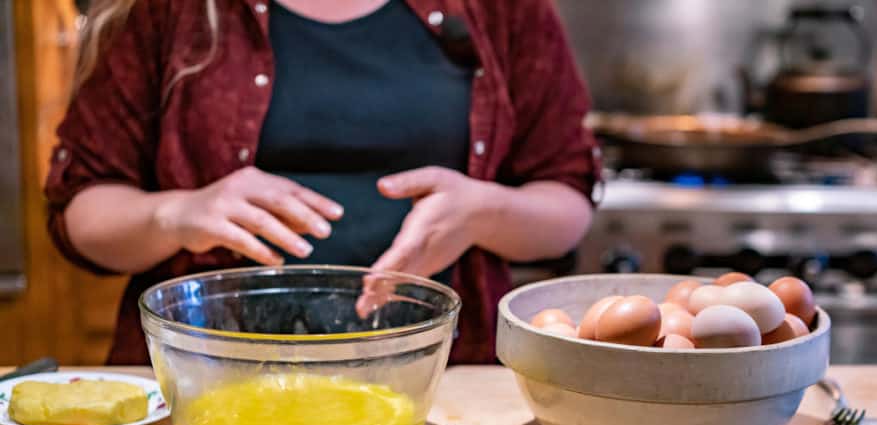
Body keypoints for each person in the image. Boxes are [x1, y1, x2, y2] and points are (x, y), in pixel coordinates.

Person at [45, 0, 599, 364]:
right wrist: (178, 214)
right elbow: (83, 213)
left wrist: (484, 211)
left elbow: (565, 204)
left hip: (447, 380)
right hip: (202, 379)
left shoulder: (503, 10)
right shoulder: (166, 10)